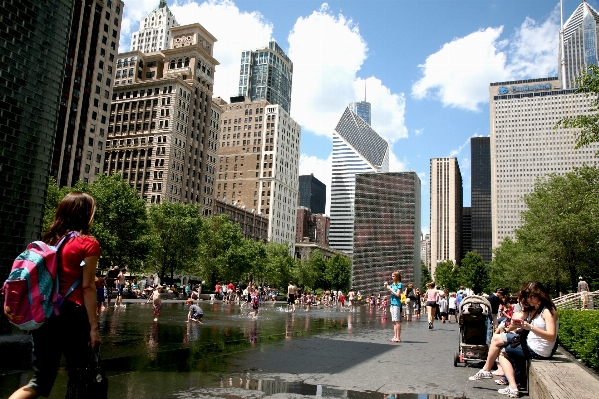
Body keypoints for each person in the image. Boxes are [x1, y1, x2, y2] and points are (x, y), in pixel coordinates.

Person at [9, 192, 101, 399]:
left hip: (46, 314)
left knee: (40, 381)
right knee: (81, 376)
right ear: (86, 214)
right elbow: (87, 287)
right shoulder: (88, 243)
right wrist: (94, 329)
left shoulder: (49, 241)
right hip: (73, 315)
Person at [469, 282, 558, 398]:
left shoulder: (547, 311)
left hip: (538, 349)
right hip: (531, 343)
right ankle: (491, 372)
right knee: (499, 342)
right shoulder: (536, 308)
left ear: (540, 295)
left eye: (532, 296)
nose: (529, 299)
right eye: (527, 296)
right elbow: (516, 320)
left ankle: (512, 387)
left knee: (504, 352)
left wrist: (530, 327)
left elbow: (551, 336)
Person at [385, 271, 403, 342]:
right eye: (392, 276)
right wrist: (386, 286)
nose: (392, 277)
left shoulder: (399, 284)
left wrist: (391, 289)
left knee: (397, 320)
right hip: (392, 304)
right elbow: (386, 288)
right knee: (394, 321)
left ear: (397, 277)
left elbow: (398, 295)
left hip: (396, 304)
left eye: (393, 276)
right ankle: (395, 336)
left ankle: (398, 337)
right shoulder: (393, 284)